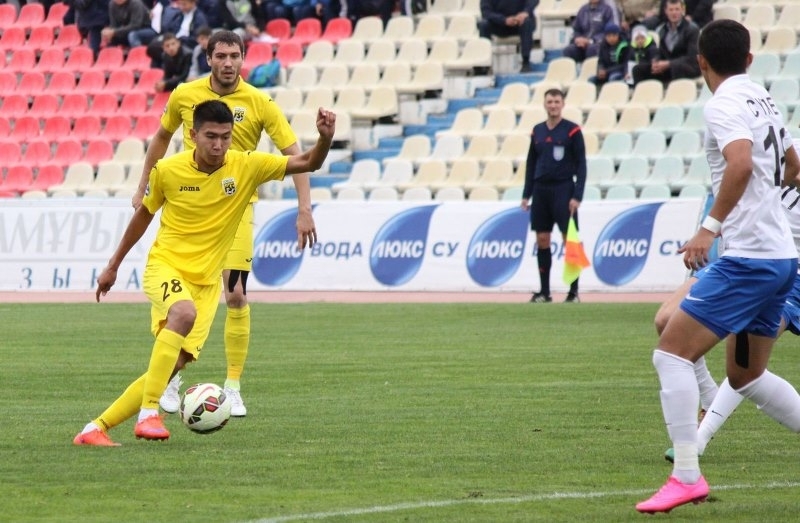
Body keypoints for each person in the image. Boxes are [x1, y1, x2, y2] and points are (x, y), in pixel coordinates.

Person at [73, 101, 334, 447]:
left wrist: (324, 139)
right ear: (193, 134)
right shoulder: (167, 171)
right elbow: (143, 216)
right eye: (211, 136)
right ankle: (149, 412)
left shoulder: (247, 166)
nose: (219, 145)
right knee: (183, 313)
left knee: (173, 364)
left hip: (206, 284)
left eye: (226, 137)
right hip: (166, 267)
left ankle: (95, 429)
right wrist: (113, 266)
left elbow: (309, 162)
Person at [636, 19, 800, 514]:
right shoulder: (763, 98)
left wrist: (709, 228)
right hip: (781, 257)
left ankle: (686, 475)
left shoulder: (722, 103)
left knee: (670, 354)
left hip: (750, 258)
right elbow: (794, 165)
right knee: (746, 375)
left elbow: (741, 163)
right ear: (749, 59)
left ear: (701, 62)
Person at [131, 30, 317, 418]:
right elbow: (161, 138)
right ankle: (171, 377)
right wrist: (142, 185)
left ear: (243, 58)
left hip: (236, 209)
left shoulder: (259, 102)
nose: (228, 63)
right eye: (221, 56)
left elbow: (295, 154)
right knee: (179, 298)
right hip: (189, 209)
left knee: (235, 294)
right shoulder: (185, 94)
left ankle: (232, 386)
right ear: (209, 58)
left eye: (235, 55)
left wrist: (305, 208)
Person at [656, 139, 800, 464]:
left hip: (787, 271)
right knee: (666, 320)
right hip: (742, 256)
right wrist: (717, 226)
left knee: (744, 365)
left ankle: (700, 437)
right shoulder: (785, 148)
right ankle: (709, 396)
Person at [521, 88, 587, 304]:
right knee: (542, 239)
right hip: (541, 190)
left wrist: (577, 195)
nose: (553, 105)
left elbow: (582, 164)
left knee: (569, 240)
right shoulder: (537, 130)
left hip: (563, 189)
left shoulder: (572, 130)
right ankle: (544, 292)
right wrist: (526, 194)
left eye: (557, 101)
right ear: (544, 104)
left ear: (563, 104)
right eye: (549, 102)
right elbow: (531, 163)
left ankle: (573, 292)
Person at [631, 0, 700, 86]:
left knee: (676, 68)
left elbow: (692, 58)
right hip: (668, 67)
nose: (674, 13)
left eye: (677, 9)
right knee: (638, 69)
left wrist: (669, 64)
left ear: (682, 10)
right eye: (671, 10)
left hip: (687, 67)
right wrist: (656, 61)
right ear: (666, 11)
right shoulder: (662, 30)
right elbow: (661, 53)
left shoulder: (692, 29)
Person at [477, 0, 540, 73]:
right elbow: (486, 12)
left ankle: (526, 61)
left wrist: (525, 12)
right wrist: (504, 20)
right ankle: (484, 65)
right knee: (483, 24)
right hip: (499, 24)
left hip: (519, 22)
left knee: (527, 22)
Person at [561, 0, 615, 64]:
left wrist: (590, 41)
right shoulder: (583, 10)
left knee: (591, 49)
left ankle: (591, 69)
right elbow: (577, 30)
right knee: (568, 51)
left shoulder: (607, 10)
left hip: (599, 44)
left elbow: (608, 32)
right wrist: (578, 39)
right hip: (582, 44)